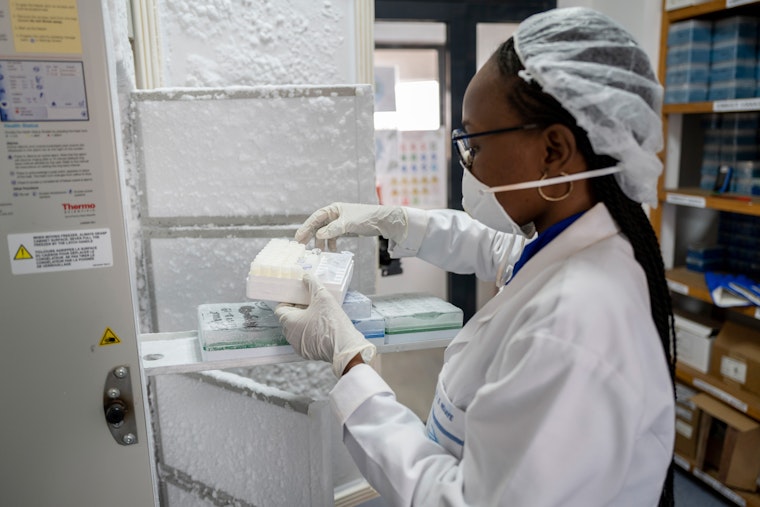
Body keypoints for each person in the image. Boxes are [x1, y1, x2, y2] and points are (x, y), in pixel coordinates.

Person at [274, 7, 676, 506]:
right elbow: (495, 247)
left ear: (553, 150)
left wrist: (351, 362)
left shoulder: (576, 325)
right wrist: (394, 220)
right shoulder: (575, 241)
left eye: (474, 145)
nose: (467, 164)